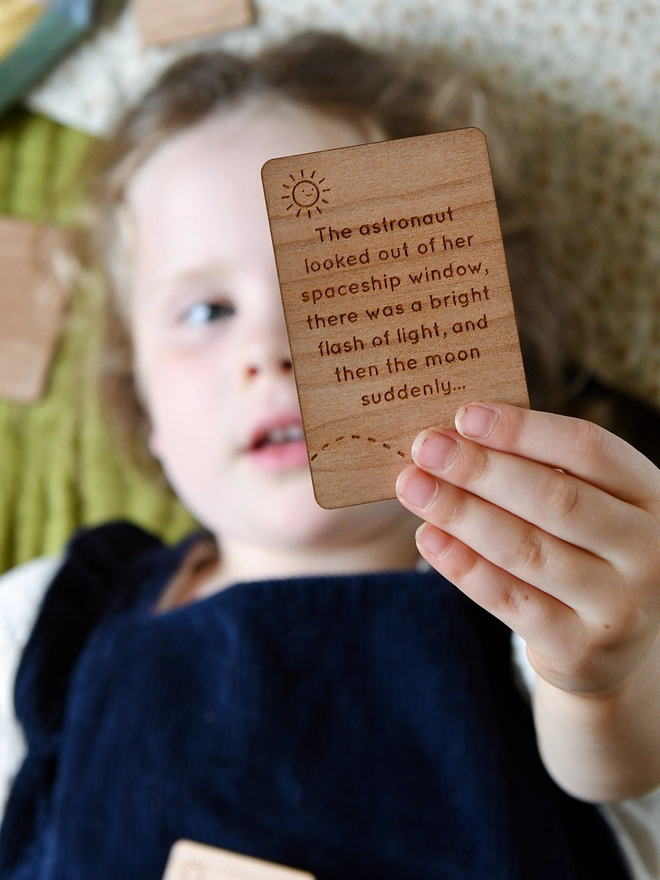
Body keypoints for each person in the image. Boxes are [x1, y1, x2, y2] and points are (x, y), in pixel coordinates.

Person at [0, 31, 659, 880]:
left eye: (338, 291)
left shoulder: (539, 594)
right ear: (145, 410)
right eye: (206, 313)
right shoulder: (43, 615)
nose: (271, 348)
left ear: (474, 338)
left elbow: (623, 775)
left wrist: (600, 682)